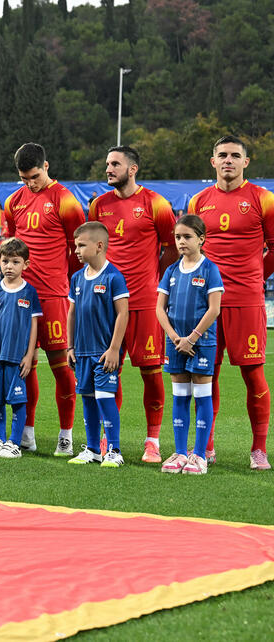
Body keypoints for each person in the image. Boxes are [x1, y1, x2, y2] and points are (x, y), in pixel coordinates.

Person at [188, 135, 274, 470]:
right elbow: (189, 249)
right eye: (222, 155)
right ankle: (206, 447)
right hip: (205, 304)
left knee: (253, 374)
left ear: (246, 162)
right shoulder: (198, 201)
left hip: (245, 302)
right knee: (206, 374)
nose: (228, 161)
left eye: (235, 156)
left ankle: (258, 449)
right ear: (213, 162)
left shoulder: (263, 199)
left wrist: (254, 276)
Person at [88, 146, 176, 463]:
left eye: (115, 164)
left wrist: (151, 279)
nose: (109, 168)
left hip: (143, 302)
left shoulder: (156, 204)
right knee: (108, 370)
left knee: (151, 372)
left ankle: (152, 441)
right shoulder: (99, 205)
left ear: (133, 168)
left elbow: (172, 249)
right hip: (106, 304)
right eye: (107, 163)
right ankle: (108, 439)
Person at [4, 142, 85, 456]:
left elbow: (79, 251)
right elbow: (12, 248)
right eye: (24, 178)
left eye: (34, 176)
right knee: (25, 367)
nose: (30, 183)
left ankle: (66, 436)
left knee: (61, 368)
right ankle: (27, 433)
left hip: (52, 297)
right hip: (22, 296)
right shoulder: (14, 201)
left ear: (47, 166)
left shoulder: (65, 200)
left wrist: (66, 284)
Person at [156, 215, 223, 475]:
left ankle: (199, 455)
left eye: (187, 237)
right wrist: (175, 338)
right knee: (180, 396)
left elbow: (214, 309)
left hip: (201, 342)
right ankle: (180, 452)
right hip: (175, 343)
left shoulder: (209, 269)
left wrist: (192, 338)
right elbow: (159, 309)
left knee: (202, 395)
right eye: (177, 237)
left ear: (201, 239)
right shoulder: (171, 270)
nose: (181, 242)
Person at [66, 222, 129, 467]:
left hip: (104, 352)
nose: (77, 251)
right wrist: (70, 347)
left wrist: (114, 348)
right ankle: (92, 449)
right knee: (87, 398)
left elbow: (123, 314)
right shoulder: (77, 278)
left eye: (81, 245)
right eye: (75, 246)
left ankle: (114, 450)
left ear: (99, 246)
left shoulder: (114, 277)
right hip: (81, 351)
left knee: (105, 397)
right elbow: (71, 313)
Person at [0, 238, 41, 459]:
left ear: (25, 264)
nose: (9, 266)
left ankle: (14, 443)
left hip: (16, 358)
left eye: (15, 262)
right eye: (5, 261)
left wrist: (29, 355)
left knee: (17, 400)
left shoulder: (29, 292)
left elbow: (34, 325)